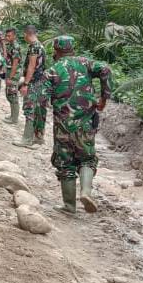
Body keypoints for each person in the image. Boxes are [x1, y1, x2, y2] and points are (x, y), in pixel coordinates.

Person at [43, 36, 112, 214]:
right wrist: (104, 99)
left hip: (63, 125)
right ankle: (86, 192)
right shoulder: (86, 63)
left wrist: (37, 128)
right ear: (73, 49)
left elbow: (41, 100)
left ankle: (69, 206)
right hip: (86, 122)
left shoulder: (52, 71)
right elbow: (105, 69)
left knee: (65, 164)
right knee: (87, 158)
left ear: (56, 51)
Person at [13, 25, 48, 148]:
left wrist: (25, 84)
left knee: (29, 110)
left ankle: (27, 139)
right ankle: (39, 138)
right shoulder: (40, 46)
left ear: (26, 34)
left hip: (33, 83)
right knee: (39, 110)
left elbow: (31, 67)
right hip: (41, 83)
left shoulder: (34, 48)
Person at [2, 28, 24, 124]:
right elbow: (6, 57)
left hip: (14, 73)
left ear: (14, 36)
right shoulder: (10, 45)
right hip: (10, 71)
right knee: (9, 94)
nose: (7, 37)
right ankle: (12, 115)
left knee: (12, 94)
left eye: (9, 36)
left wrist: (10, 78)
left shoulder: (15, 46)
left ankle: (14, 119)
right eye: (6, 35)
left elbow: (15, 64)